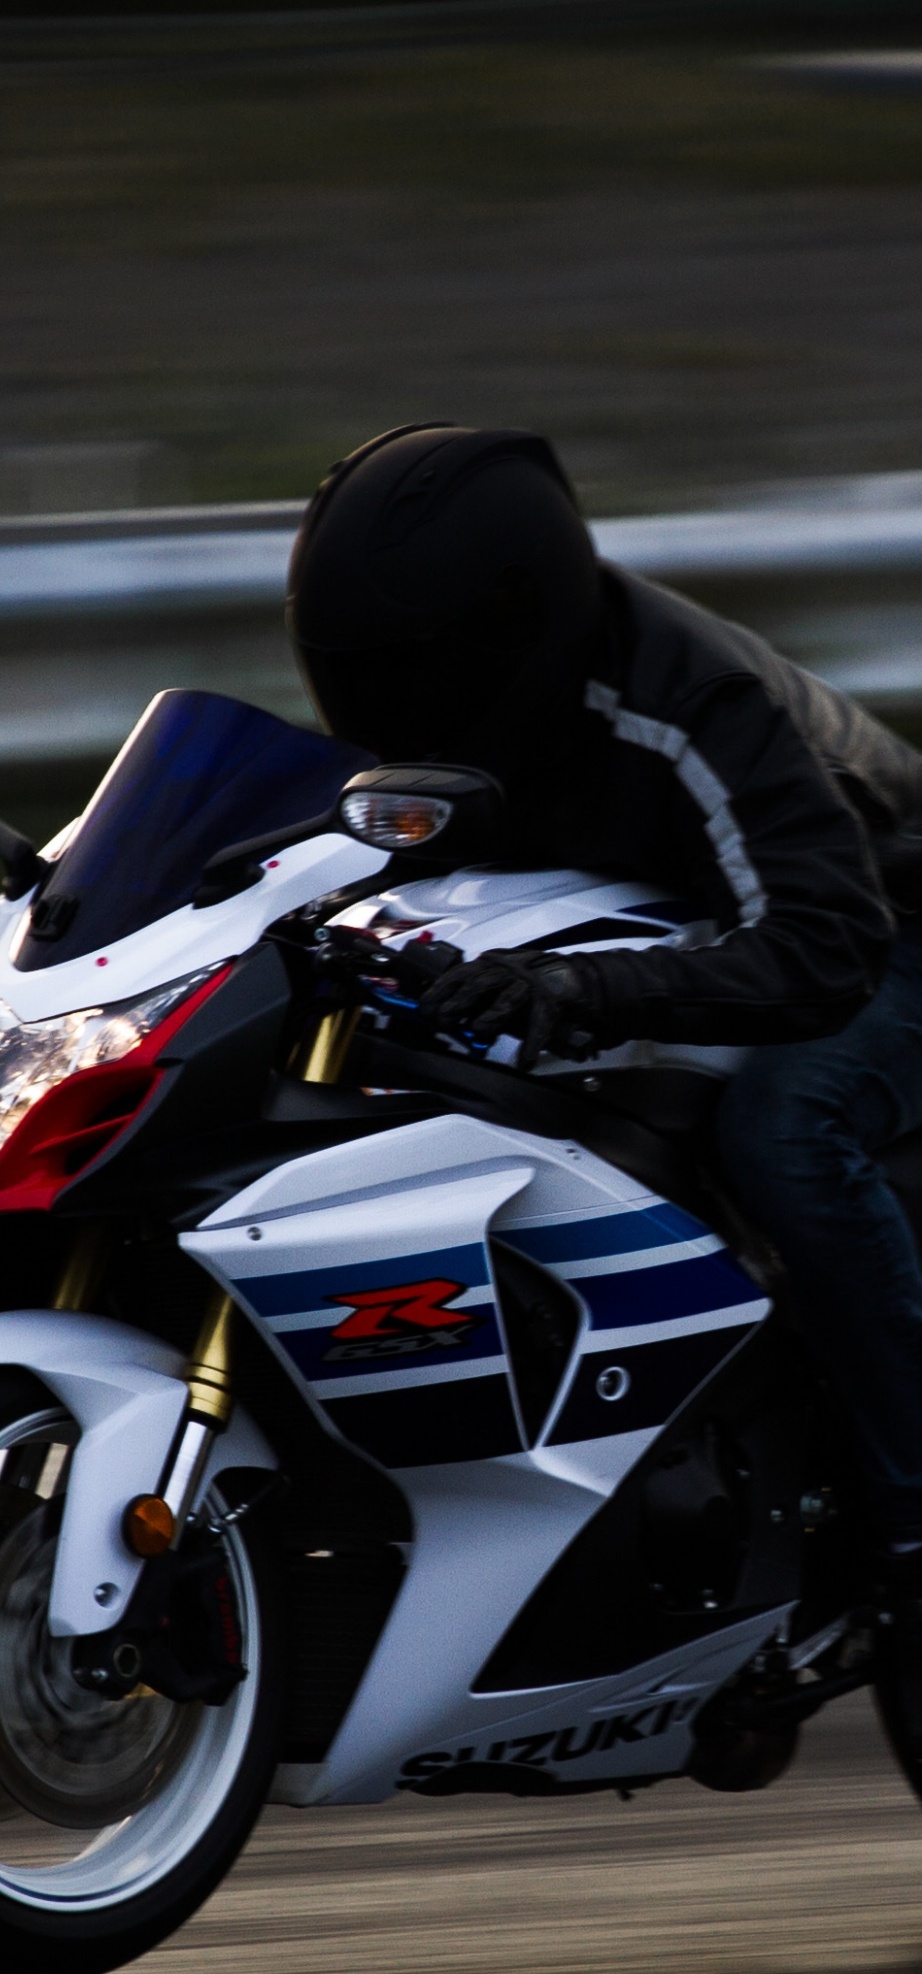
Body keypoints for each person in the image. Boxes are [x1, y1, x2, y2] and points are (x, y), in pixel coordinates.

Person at [285, 422, 922, 1605]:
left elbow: (825, 943)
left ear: (509, 631)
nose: (377, 702)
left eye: (407, 667)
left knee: (786, 1132)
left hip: (884, 930)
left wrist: (587, 990)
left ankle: (914, 1517)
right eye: (353, 666)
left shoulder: (684, 704)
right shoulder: (425, 719)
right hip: (705, 937)